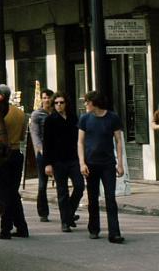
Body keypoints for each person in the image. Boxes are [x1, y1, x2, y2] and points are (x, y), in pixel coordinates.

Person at [78, 90, 126, 244]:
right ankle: (94, 228)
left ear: (94, 103)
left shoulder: (112, 118)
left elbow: (119, 141)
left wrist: (120, 163)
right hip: (91, 163)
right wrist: (82, 163)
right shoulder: (85, 119)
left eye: (87, 102)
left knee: (110, 198)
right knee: (92, 198)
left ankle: (114, 232)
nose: (85, 104)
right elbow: (80, 142)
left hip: (108, 163)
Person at [43, 92, 84, 233]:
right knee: (62, 192)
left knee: (79, 186)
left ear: (66, 104)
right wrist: (47, 164)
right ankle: (65, 222)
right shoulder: (50, 120)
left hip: (73, 159)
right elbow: (46, 143)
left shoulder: (73, 118)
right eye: (56, 103)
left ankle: (69, 213)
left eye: (61, 102)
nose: (59, 105)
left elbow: (80, 139)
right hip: (58, 161)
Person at [0, 81, 29, 240]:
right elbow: (22, 136)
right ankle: (21, 226)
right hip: (16, 153)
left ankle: (5, 228)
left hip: (2, 154)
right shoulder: (20, 113)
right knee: (13, 192)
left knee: (3, 193)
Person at [29, 88, 53, 222]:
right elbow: (35, 135)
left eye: (49, 97)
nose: (47, 100)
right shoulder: (37, 115)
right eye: (44, 98)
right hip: (43, 153)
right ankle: (43, 212)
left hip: (57, 152)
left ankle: (67, 212)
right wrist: (40, 149)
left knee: (62, 182)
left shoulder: (56, 112)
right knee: (42, 183)